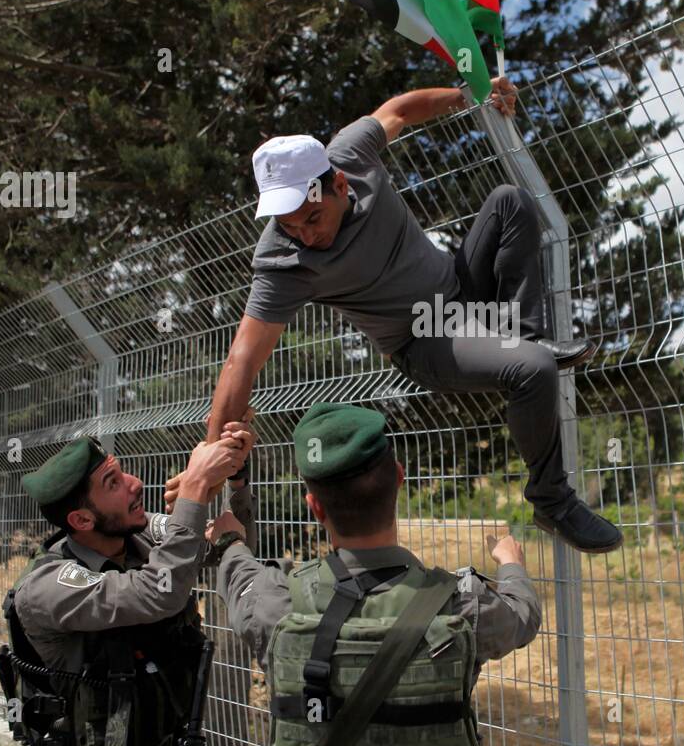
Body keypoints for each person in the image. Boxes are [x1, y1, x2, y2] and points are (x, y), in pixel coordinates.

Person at [167, 77, 622, 554]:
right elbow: (242, 359)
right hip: (424, 340)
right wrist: (208, 460)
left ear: (339, 183)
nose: (303, 235)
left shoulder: (351, 153)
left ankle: (528, 335)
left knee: (511, 201)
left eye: (313, 218)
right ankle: (551, 499)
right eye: (289, 226)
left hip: (461, 287)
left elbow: (401, 109)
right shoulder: (283, 263)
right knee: (532, 369)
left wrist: (472, 94)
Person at [207, 401, 541, 746]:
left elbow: (236, 563)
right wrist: (510, 562)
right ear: (398, 477)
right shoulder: (463, 605)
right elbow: (523, 615)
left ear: (314, 506)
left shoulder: (275, 602)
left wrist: (234, 493)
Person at [0, 430, 249, 746]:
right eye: (113, 483)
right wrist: (196, 486)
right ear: (82, 519)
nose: (135, 483)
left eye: (122, 471)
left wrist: (236, 480)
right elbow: (159, 592)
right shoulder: (48, 587)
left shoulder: (139, 535)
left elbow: (229, 544)